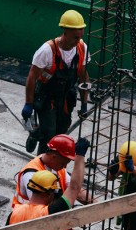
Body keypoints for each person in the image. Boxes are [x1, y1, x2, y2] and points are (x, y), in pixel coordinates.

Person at [21, 10, 91, 154]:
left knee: (61, 131)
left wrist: (84, 103)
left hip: (66, 97)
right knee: (49, 134)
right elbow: (32, 77)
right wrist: (28, 103)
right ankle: (41, 165)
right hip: (47, 96)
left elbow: (84, 77)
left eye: (80, 37)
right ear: (65, 31)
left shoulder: (81, 49)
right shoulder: (47, 51)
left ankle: (37, 134)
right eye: (75, 37)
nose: (78, 41)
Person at [12, 134, 92, 208]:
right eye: (63, 163)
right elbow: (41, 208)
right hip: (26, 218)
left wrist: (96, 205)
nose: (65, 166)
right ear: (54, 157)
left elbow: (76, 190)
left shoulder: (57, 167)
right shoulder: (32, 174)